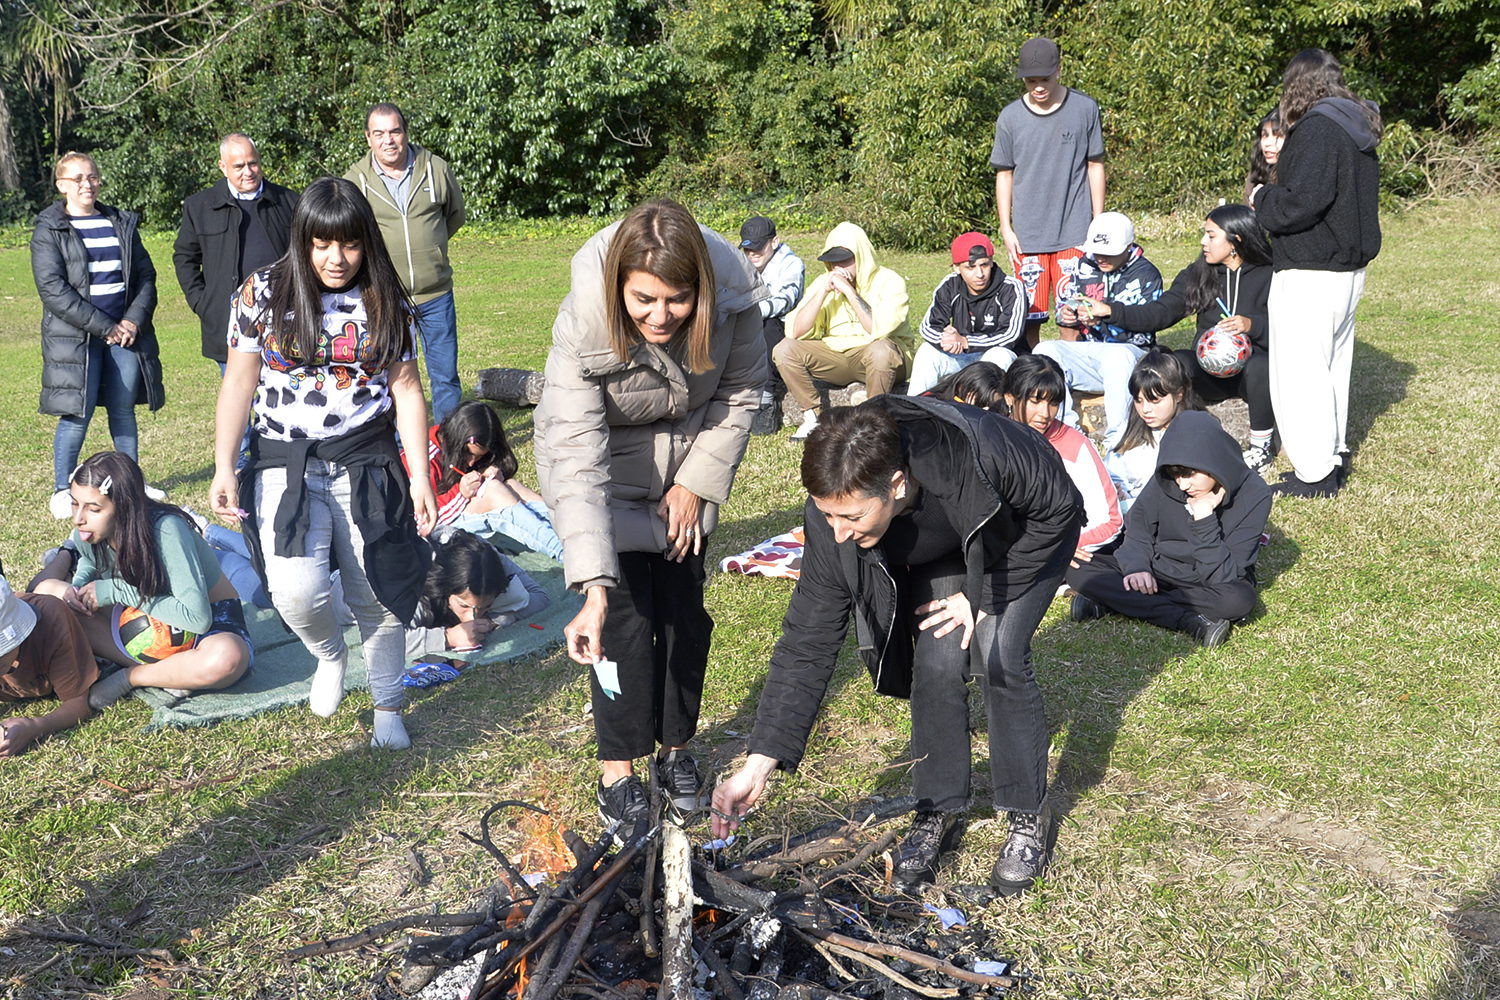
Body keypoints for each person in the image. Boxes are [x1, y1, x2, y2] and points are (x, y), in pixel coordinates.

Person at [711, 398, 1083, 896]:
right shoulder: (835, 513)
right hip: (948, 540)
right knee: (936, 659)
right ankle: (937, 809)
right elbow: (809, 636)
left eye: (851, 516)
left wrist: (981, 597)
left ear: (897, 485)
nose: (837, 531)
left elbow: (1058, 509)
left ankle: (1025, 814)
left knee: (998, 650)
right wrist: (760, 762)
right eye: (827, 515)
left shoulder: (985, 453)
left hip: (1024, 533)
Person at [535, 199, 765, 837]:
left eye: (678, 300)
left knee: (685, 620)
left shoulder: (734, 300)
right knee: (625, 628)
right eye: (644, 301)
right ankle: (617, 774)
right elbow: (575, 455)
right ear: (618, 288)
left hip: (687, 476)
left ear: (702, 288)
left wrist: (695, 481)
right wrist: (593, 587)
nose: (661, 317)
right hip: (604, 480)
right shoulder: (584, 321)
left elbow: (742, 391)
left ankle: (676, 751)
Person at [210, 176, 438, 751]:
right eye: (322, 244)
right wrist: (220, 465)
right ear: (303, 240)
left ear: (366, 242)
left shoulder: (386, 298)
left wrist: (419, 478)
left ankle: (388, 702)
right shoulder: (261, 293)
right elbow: (238, 383)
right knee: (296, 590)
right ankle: (329, 655)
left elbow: (408, 390)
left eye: (350, 244)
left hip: (366, 457)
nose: (337, 259)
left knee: (378, 590)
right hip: (283, 461)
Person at [1252, 49, 1382, 498]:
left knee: (1301, 373)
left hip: (1311, 268)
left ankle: (1315, 473)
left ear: (1297, 85)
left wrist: (1261, 199)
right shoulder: (1355, 125)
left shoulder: (1317, 129)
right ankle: (1332, 455)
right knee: (1331, 368)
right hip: (1347, 270)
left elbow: (1299, 204)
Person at [30, 452, 253, 710]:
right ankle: (175, 673)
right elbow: (91, 563)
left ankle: (133, 676)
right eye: (74, 503)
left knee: (227, 659)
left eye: (93, 508)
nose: (78, 517)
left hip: (209, 625)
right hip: (138, 619)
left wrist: (115, 590)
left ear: (124, 506)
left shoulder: (166, 530)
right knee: (48, 592)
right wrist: (78, 587)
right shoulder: (87, 531)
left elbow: (197, 619)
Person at [1084, 204, 1276, 473]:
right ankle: (1171, 438)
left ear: (1236, 241)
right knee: (1177, 362)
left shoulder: (1271, 275)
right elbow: (1159, 313)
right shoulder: (1199, 273)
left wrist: (1252, 325)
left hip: (1252, 375)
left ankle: (1261, 449)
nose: (1202, 242)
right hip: (1210, 375)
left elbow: (1290, 329)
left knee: (1260, 367)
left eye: (1211, 235)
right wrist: (1110, 311)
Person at [32, 152, 166, 520]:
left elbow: (146, 276)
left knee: (123, 411)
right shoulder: (49, 229)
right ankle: (63, 489)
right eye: (77, 179)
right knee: (78, 411)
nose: (86, 184)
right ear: (61, 185)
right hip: (77, 339)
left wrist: (133, 321)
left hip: (124, 334)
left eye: (91, 177)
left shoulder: (119, 222)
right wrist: (107, 326)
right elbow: (53, 289)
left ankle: (132, 486)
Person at [1067, 410, 1271, 648]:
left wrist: (1204, 519)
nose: (1183, 484)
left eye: (1190, 474)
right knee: (1077, 569)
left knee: (1240, 601)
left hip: (1204, 584)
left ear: (1213, 459)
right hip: (1156, 569)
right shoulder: (1168, 477)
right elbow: (1138, 526)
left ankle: (1114, 602)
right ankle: (1188, 621)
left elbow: (1223, 577)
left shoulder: (1256, 494)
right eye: (1176, 475)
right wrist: (1137, 567)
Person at [345, 103, 466, 423]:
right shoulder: (355, 180)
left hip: (435, 294)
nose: (389, 140)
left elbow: (454, 216)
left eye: (395, 131)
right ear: (368, 138)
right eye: (380, 133)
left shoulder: (435, 168)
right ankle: (400, 443)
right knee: (392, 378)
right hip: (385, 297)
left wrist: (432, 251)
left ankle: (448, 444)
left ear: (406, 133)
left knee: (445, 377)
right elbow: (349, 234)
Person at [991, 36, 1105, 350]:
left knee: (1073, 313)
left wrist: (1098, 222)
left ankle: (1075, 374)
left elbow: (1095, 165)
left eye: (1045, 78)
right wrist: (1006, 227)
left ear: (1059, 70)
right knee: (1029, 318)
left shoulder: (1085, 108)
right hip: (1027, 236)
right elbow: (1005, 172)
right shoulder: (1010, 118)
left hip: (1075, 230)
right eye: (1030, 80)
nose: (1038, 87)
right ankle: (1033, 379)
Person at [173, 134, 300, 371]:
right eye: (239, 166)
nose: (248, 171)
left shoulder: (289, 202)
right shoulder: (200, 206)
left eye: (253, 163)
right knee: (241, 400)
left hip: (283, 319)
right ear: (223, 167)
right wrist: (202, 303)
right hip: (229, 322)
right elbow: (184, 257)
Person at [1037, 212, 1163, 451]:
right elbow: (1067, 301)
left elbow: (1145, 334)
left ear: (1128, 247)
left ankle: (1119, 439)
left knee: (1119, 356)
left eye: (1110, 252)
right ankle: (1067, 432)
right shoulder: (1084, 265)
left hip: (1132, 357)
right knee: (1044, 350)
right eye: (1097, 251)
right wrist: (1066, 314)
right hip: (1091, 354)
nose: (1101, 257)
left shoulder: (1147, 274)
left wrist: (1101, 321)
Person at [775, 222, 911, 441]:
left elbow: (877, 329)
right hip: (837, 355)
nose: (838, 267)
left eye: (845, 259)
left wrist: (849, 291)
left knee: (881, 350)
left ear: (862, 256)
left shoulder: (890, 281)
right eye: (832, 260)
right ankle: (812, 418)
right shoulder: (824, 282)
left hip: (883, 355)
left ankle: (873, 421)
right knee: (784, 349)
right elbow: (795, 332)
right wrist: (822, 292)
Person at [1003, 356, 1122, 559]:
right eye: (1036, 401)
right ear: (1009, 398)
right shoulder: (991, 436)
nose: (1045, 413)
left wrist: (1062, 547)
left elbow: (1111, 521)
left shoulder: (1075, 446)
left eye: (1053, 403)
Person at [413, 400, 563, 560]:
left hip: (456, 517)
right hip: (429, 538)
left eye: (479, 457)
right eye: (469, 454)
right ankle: (565, 554)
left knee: (511, 485)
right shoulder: (423, 457)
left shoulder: (451, 445)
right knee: (494, 491)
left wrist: (489, 472)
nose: (471, 462)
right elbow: (421, 520)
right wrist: (461, 493)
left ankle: (571, 534)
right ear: (457, 440)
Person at [906, 232, 1025, 395]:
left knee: (1000, 355)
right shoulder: (950, 285)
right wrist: (946, 339)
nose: (980, 274)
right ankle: (915, 411)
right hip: (961, 356)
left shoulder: (1011, 288)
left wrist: (965, 341)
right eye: (971, 267)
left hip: (998, 358)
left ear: (991, 262)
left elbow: (1010, 335)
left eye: (984, 265)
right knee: (927, 351)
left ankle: (985, 415)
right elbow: (927, 327)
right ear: (956, 267)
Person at [403, 529, 550, 661]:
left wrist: (493, 621)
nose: (472, 617)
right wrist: (448, 637)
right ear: (444, 589)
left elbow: (539, 597)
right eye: (464, 606)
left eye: (485, 606)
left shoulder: (487, 558)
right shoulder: (419, 578)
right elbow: (387, 640)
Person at [0, 571, 96, 758]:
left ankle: (67, 555)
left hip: (69, 612)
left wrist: (35, 727)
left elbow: (78, 703)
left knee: (57, 588)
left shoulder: (52, 624)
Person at [1106, 350, 1201, 513]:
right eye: (1139, 400)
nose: (1145, 409)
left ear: (1179, 394)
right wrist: (1120, 492)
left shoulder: (1198, 430)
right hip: (1137, 514)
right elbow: (1114, 474)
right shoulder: (1127, 431)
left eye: (1154, 401)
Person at [737, 215, 805, 406]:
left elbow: (786, 300)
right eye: (748, 248)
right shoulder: (741, 263)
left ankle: (766, 399)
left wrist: (751, 311)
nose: (752, 253)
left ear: (774, 242)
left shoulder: (792, 264)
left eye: (758, 247)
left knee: (768, 323)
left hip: (781, 329)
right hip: (746, 325)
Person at [1244, 110, 1284, 205]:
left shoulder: (1298, 175)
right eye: (1265, 135)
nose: (1268, 143)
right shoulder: (1257, 174)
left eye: (1277, 136)